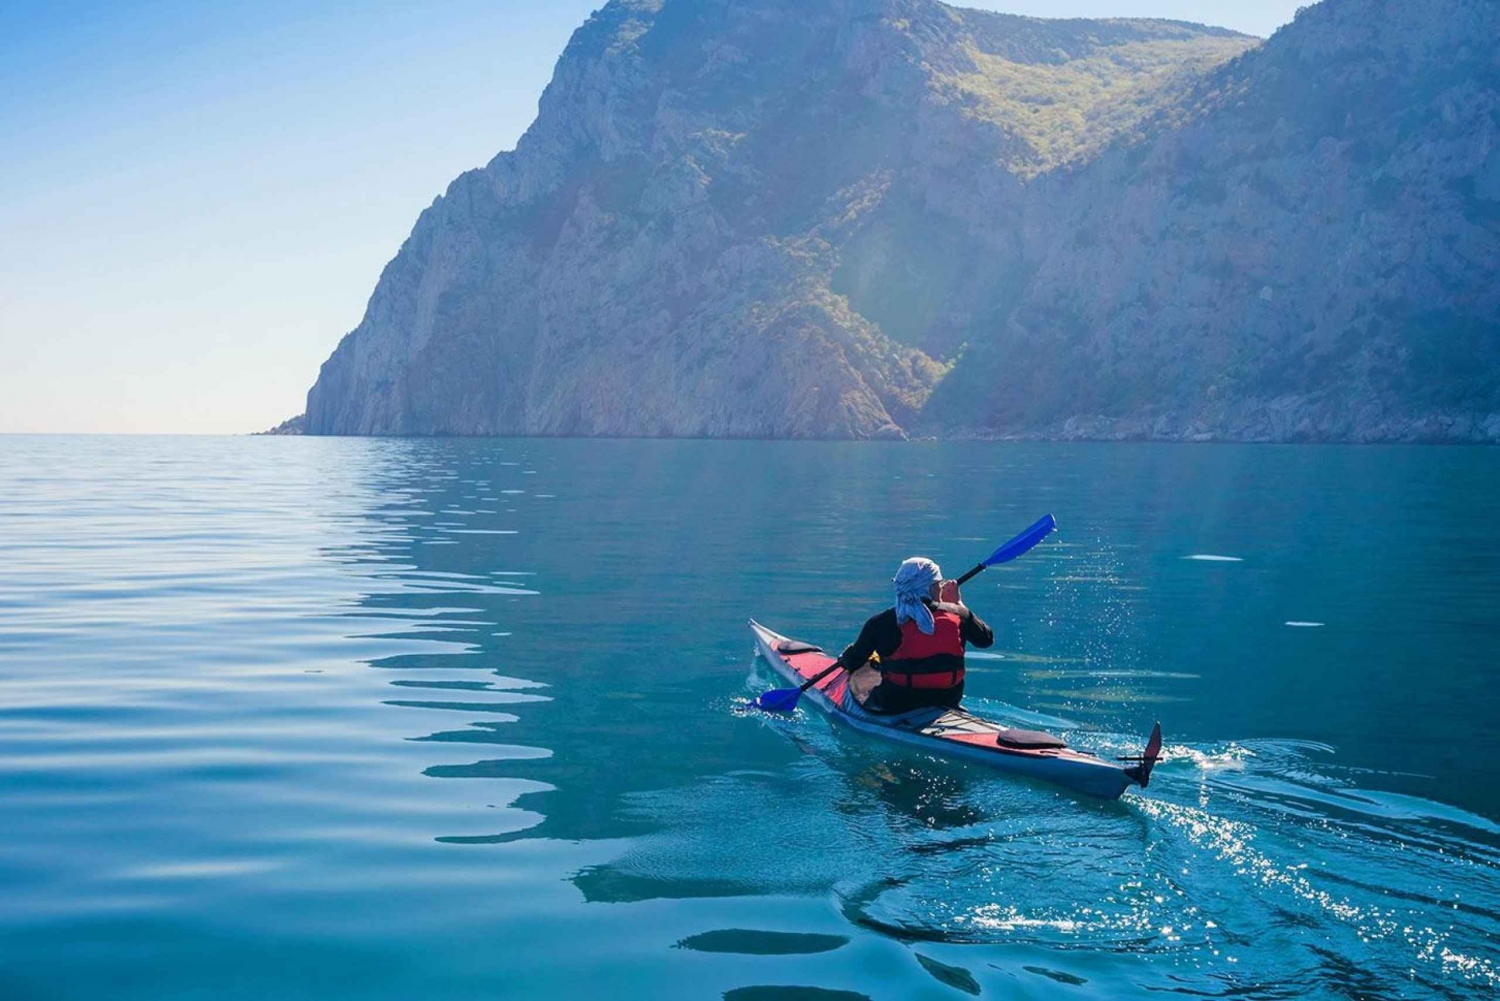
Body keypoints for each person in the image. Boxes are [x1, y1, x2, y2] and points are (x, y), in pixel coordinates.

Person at [837, 557, 994, 714]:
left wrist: (845, 658)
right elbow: (986, 640)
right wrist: (958, 603)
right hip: (947, 699)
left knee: (864, 674)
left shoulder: (880, 623)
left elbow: (853, 662)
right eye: (939, 584)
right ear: (931, 588)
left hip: (895, 703)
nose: (941, 587)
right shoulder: (959, 614)